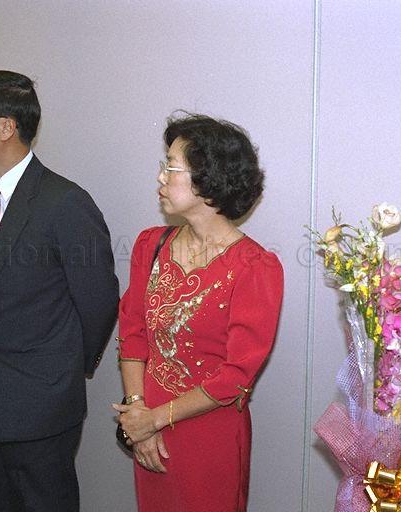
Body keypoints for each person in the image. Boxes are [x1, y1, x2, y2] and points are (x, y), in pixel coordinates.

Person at [0, 70, 119, 512]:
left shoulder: (65, 203)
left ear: (4, 126)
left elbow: (99, 301)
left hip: (42, 405)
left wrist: (61, 368)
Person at [113, 113, 284, 511]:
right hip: (146, 428)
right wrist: (139, 413)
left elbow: (237, 376)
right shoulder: (149, 245)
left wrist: (156, 419)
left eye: (171, 167)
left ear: (210, 180)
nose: (160, 177)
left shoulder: (255, 266)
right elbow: (133, 331)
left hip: (209, 436)